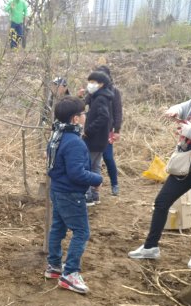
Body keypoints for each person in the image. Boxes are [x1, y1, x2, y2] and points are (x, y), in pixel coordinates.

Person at [128, 60, 191, 269]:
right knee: (162, 201)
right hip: (186, 164)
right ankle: (151, 246)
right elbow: (184, 106)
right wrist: (175, 110)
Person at [44, 96, 102, 294]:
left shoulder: (56, 135)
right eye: (83, 113)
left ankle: (53, 266)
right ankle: (70, 274)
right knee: (82, 232)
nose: (86, 116)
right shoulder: (75, 142)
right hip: (70, 193)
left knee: (58, 228)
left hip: (57, 190)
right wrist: (96, 179)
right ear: (75, 119)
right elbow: (76, 173)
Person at [83, 71, 114, 206]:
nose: (90, 85)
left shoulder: (100, 98)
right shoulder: (100, 96)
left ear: (101, 84)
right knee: (95, 167)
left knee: (87, 166)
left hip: (94, 140)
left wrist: (88, 130)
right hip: (101, 140)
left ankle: (88, 196)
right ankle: (95, 196)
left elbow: (104, 117)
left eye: (93, 82)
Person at [95, 65, 123, 196]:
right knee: (93, 159)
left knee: (107, 157)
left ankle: (114, 184)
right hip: (93, 129)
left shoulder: (114, 91)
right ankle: (94, 188)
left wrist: (117, 130)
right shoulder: (93, 91)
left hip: (107, 130)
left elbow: (118, 111)